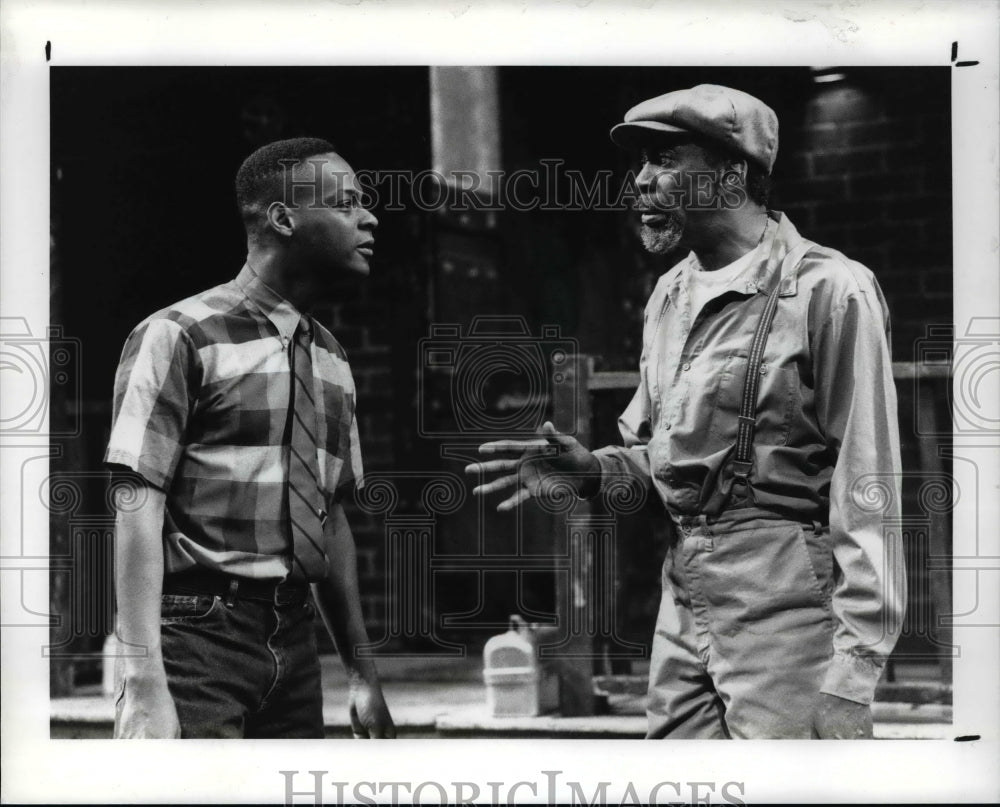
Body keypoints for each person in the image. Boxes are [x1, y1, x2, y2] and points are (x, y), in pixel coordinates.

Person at [467, 85, 906, 739]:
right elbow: (668, 458)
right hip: (685, 594)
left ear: (733, 173)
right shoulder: (669, 295)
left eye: (666, 159)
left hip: (785, 598)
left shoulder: (829, 290)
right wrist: (595, 469)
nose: (642, 180)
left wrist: (855, 667)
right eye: (641, 162)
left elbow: (867, 481)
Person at [105, 137, 395, 739]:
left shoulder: (333, 361)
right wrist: (145, 683)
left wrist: (363, 676)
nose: (368, 218)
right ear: (284, 218)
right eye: (345, 204)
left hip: (293, 642)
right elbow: (136, 506)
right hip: (194, 638)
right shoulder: (179, 335)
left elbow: (331, 518)